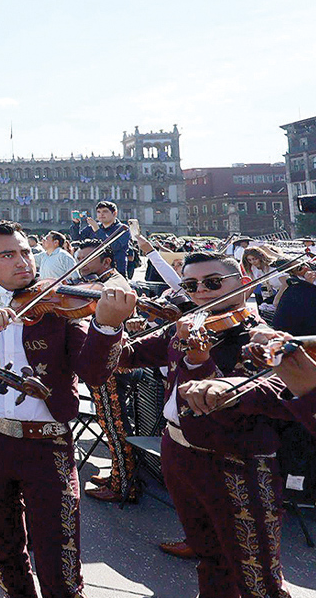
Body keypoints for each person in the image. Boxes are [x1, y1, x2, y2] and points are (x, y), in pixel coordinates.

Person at [0, 221, 136, 598]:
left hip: (47, 444)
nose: (23, 262)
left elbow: (94, 374)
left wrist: (107, 326)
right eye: (8, 255)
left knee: (60, 553)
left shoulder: (59, 306)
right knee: (5, 548)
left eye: (26, 252)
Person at [119, 251, 301, 598]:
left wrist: (200, 363)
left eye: (213, 283)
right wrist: (111, 323)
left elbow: (250, 403)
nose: (201, 292)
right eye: (191, 285)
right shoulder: (187, 326)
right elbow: (126, 357)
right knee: (208, 559)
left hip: (235, 465)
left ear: (245, 285)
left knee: (256, 573)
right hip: (178, 452)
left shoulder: (261, 340)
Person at [70, 239, 141, 505]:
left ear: (107, 262)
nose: (80, 265)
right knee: (108, 421)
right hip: (104, 360)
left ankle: (125, 485)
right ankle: (116, 474)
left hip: (111, 365)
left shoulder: (113, 285)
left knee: (115, 423)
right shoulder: (99, 282)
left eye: (86, 260)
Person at [78, 201, 131, 277]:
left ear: (114, 213)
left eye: (105, 211)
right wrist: (76, 224)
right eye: (98, 212)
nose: (101, 214)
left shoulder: (123, 229)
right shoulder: (93, 227)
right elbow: (77, 238)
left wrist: (97, 230)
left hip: (115, 271)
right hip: (95, 271)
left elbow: (114, 246)